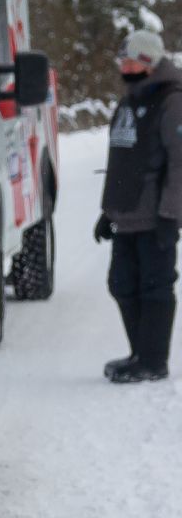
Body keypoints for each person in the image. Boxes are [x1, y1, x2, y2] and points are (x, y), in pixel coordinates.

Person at [94, 29, 181, 383]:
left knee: (155, 287)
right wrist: (107, 211)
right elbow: (121, 159)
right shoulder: (131, 98)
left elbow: (180, 163)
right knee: (122, 284)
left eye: (130, 60)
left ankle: (153, 362)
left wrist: (171, 215)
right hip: (126, 214)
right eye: (123, 60)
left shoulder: (172, 101)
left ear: (147, 63)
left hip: (156, 216)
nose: (123, 66)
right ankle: (139, 354)